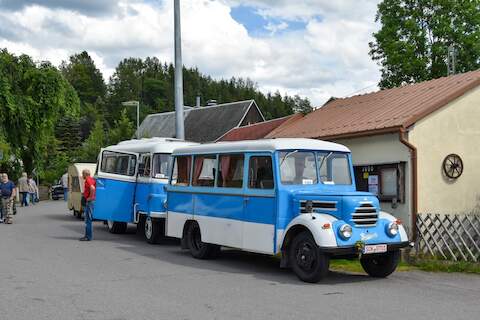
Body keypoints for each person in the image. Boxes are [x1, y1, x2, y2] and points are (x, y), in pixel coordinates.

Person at [79, 169, 96, 241]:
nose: (82, 175)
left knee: (88, 220)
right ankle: (87, 236)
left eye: (82, 174)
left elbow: (92, 188)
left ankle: (88, 237)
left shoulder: (88, 180)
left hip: (90, 202)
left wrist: (90, 198)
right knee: (88, 219)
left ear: (85, 174)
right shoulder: (91, 179)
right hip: (90, 201)